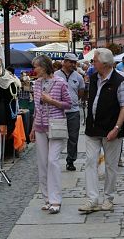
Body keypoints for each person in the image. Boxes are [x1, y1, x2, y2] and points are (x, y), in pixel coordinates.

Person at [78, 48, 124, 213]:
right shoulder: (93, 78)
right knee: (90, 162)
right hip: (93, 128)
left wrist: (116, 128)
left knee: (110, 166)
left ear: (104, 63)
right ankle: (92, 199)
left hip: (111, 130)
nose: (93, 63)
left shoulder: (119, 80)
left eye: (95, 60)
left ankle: (108, 198)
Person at [29, 55, 72, 214]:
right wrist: (33, 127)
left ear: (45, 67)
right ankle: (46, 198)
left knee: (52, 161)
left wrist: (52, 101)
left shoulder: (60, 83)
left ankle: (56, 199)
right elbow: (37, 108)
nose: (35, 70)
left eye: (37, 67)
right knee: (42, 163)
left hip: (56, 126)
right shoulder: (36, 84)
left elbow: (69, 104)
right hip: (40, 126)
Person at [54, 53, 85, 172]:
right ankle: (54, 159)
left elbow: (81, 92)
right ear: (64, 62)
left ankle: (70, 160)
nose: (73, 64)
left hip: (73, 111)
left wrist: (75, 100)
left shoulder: (78, 77)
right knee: (56, 136)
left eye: (74, 62)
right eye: (71, 62)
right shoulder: (56, 75)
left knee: (73, 137)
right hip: (58, 111)